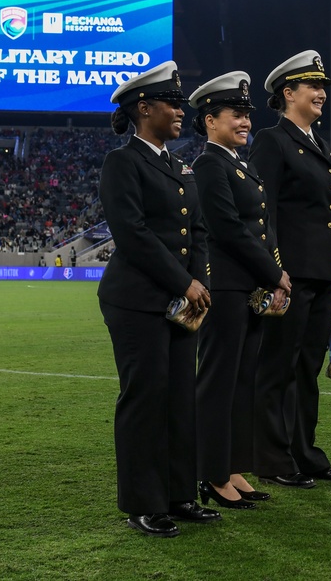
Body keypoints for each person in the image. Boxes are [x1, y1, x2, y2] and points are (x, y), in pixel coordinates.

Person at [97, 61, 219, 538]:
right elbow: (132, 234)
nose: (180, 111)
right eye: (172, 103)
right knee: (145, 399)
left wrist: (199, 283)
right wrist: (184, 283)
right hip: (137, 300)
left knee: (179, 400)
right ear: (142, 108)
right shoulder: (122, 162)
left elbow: (199, 232)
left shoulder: (178, 165)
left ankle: (178, 495)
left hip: (179, 301)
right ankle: (143, 503)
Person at [248, 50, 331, 489]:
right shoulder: (273, 141)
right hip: (290, 274)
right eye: (314, 86)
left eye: (323, 86)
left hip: (322, 273)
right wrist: (274, 270)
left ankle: (305, 453)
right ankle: (272, 459)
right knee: (278, 367)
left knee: (306, 367)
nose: (322, 93)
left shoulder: (316, 143)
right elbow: (261, 210)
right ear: (288, 93)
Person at [189, 71, 292, 509]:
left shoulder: (237, 164)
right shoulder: (210, 164)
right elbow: (228, 230)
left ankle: (232, 468)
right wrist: (275, 273)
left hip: (248, 288)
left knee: (241, 382)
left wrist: (273, 273)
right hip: (227, 288)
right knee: (218, 383)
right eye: (236, 114)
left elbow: (261, 229)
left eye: (248, 114)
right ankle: (211, 476)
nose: (246, 121)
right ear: (210, 120)